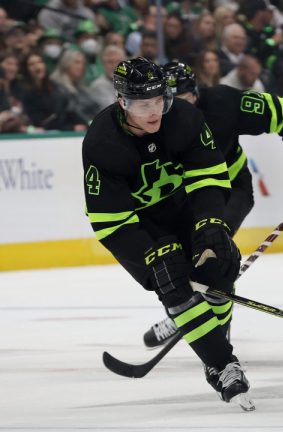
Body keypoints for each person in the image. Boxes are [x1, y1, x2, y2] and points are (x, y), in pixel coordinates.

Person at [81, 57, 252, 410]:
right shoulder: (102, 143)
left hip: (186, 209)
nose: (154, 111)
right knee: (171, 280)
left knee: (222, 261)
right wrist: (149, 255)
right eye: (143, 104)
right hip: (143, 227)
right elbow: (111, 222)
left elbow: (209, 176)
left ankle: (215, 336)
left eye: (159, 100)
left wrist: (209, 220)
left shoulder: (186, 118)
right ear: (122, 102)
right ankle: (221, 365)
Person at [140, 61, 283, 350]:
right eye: (168, 103)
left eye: (183, 101)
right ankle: (185, 306)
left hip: (231, 190)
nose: (176, 110)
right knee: (178, 258)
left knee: (215, 252)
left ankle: (220, 330)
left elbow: (282, 114)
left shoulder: (223, 103)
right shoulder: (152, 121)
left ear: (196, 92)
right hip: (184, 197)